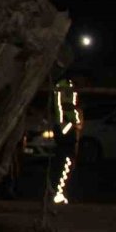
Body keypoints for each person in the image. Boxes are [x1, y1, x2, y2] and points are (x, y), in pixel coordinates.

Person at [49, 77, 81, 205]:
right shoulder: (63, 117)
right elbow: (63, 129)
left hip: (69, 142)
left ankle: (60, 193)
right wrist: (71, 123)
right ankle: (58, 193)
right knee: (63, 166)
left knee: (67, 167)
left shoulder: (70, 90)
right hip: (65, 142)